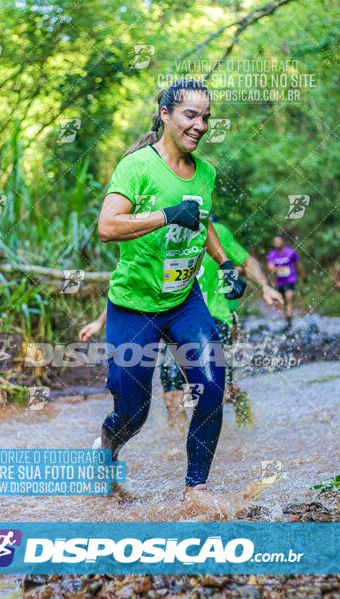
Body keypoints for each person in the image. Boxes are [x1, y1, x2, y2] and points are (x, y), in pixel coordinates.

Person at [93, 78, 247, 501]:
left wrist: (225, 262)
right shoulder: (137, 166)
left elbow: (203, 218)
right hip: (133, 307)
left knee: (212, 387)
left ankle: (195, 488)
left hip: (184, 301)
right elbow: (107, 227)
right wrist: (165, 215)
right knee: (133, 413)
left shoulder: (206, 172)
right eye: (190, 115)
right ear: (165, 115)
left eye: (205, 118)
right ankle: (106, 451)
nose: (199, 125)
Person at [159, 217, 283, 414]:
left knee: (222, 392)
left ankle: (238, 411)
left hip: (215, 315)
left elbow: (247, 261)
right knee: (173, 397)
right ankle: (177, 443)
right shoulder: (160, 230)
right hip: (176, 319)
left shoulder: (218, 232)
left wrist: (265, 287)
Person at [267, 235, 307, 330]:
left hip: (290, 279)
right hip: (280, 282)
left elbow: (299, 264)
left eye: (279, 241)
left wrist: (303, 276)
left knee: (289, 298)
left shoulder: (290, 252)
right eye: (275, 241)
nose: (277, 243)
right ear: (273, 243)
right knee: (284, 301)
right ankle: (287, 319)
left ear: (283, 242)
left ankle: (289, 323)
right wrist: (276, 269)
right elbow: (269, 266)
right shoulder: (272, 253)